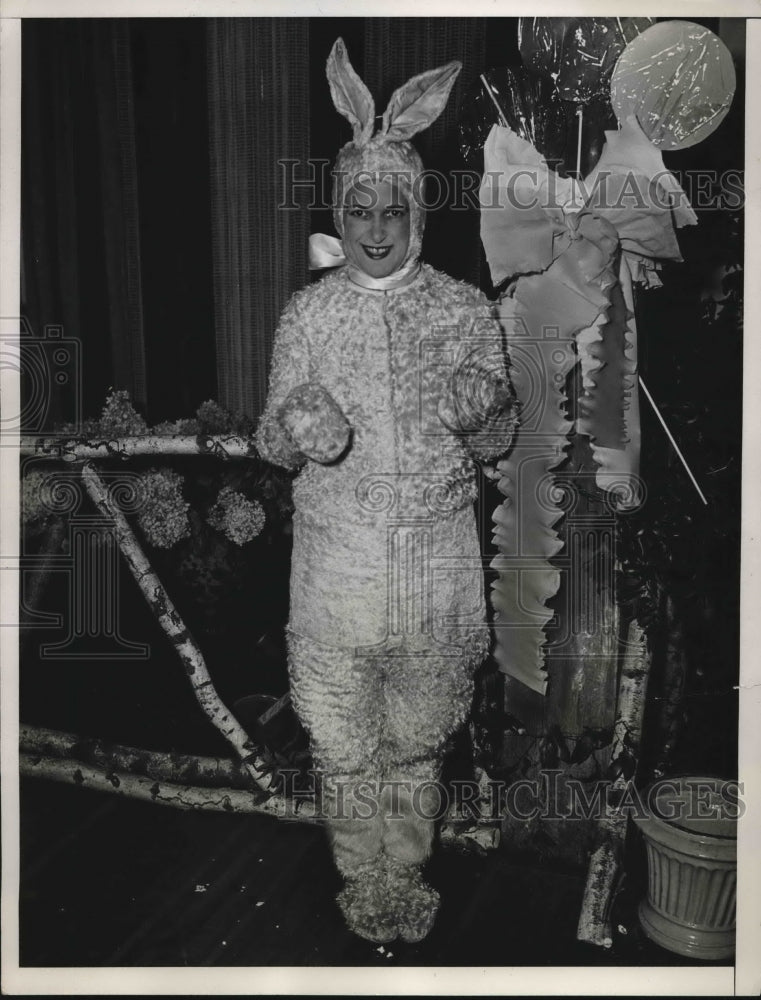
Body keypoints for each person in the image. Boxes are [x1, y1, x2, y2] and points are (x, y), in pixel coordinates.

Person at [256, 38, 517, 945]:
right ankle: (356, 876)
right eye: (358, 207)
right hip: (333, 581)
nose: (374, 226)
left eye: (391, 207)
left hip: (436, 583)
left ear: (415, 210)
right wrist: (296, 422)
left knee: (417, 741)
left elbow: (501, 441)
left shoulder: (462, 309)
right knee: (338, 743)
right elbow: (267, 446)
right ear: (341, 207)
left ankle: (399, 875)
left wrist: (481, 410)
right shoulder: (309, 314)